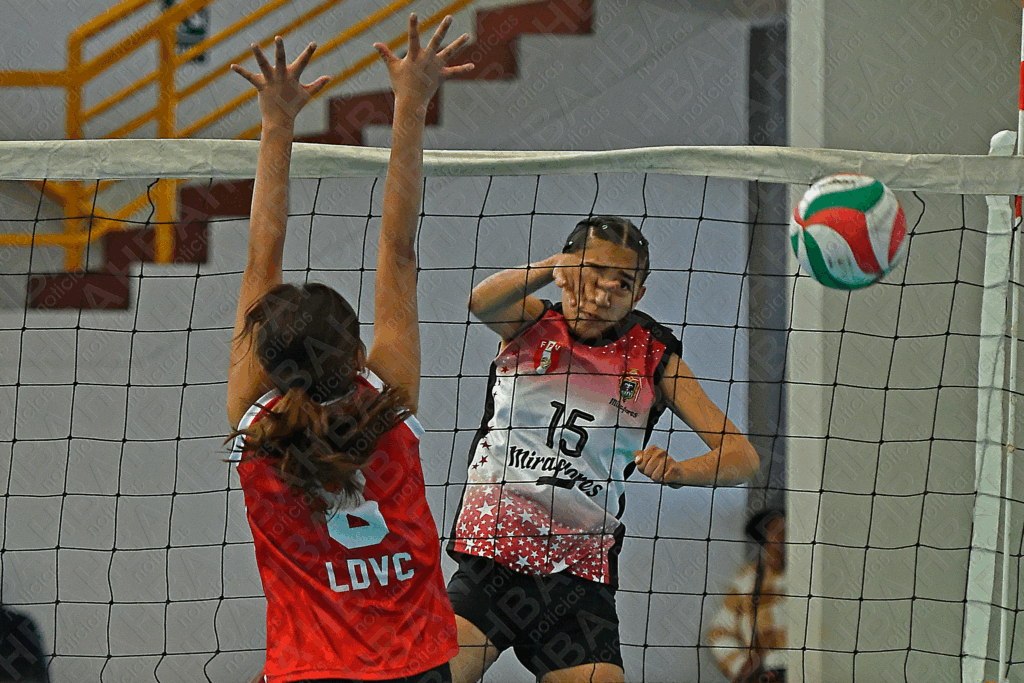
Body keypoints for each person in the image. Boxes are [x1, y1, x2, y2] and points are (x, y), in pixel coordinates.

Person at [225, 16, 472, 683]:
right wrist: (412, 105)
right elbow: (399, 250)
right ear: (358, 344)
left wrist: (275, 122)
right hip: (414, 665)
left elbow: (259, 257)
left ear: (267, 357)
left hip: (310, 668)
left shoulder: (255, 419)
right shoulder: (390, 400)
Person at [445, 217, 761, 683]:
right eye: (591, 274)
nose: (602, 294)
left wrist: (679, 470)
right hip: (495, 558)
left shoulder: (654, 358)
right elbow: (480, 300)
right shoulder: (529, 321)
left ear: (638, 295)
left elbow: (743, 456)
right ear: (570, 273)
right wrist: (554, 266)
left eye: (621, 283)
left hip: (577, 578)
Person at [706, 508, 787, 683]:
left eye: (787, 533)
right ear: (764, 539)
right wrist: (741, 665)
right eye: (776, 532)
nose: (783, 540)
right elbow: (718, 632)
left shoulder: (810, 577)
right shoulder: (748, 579)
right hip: (767, 675)